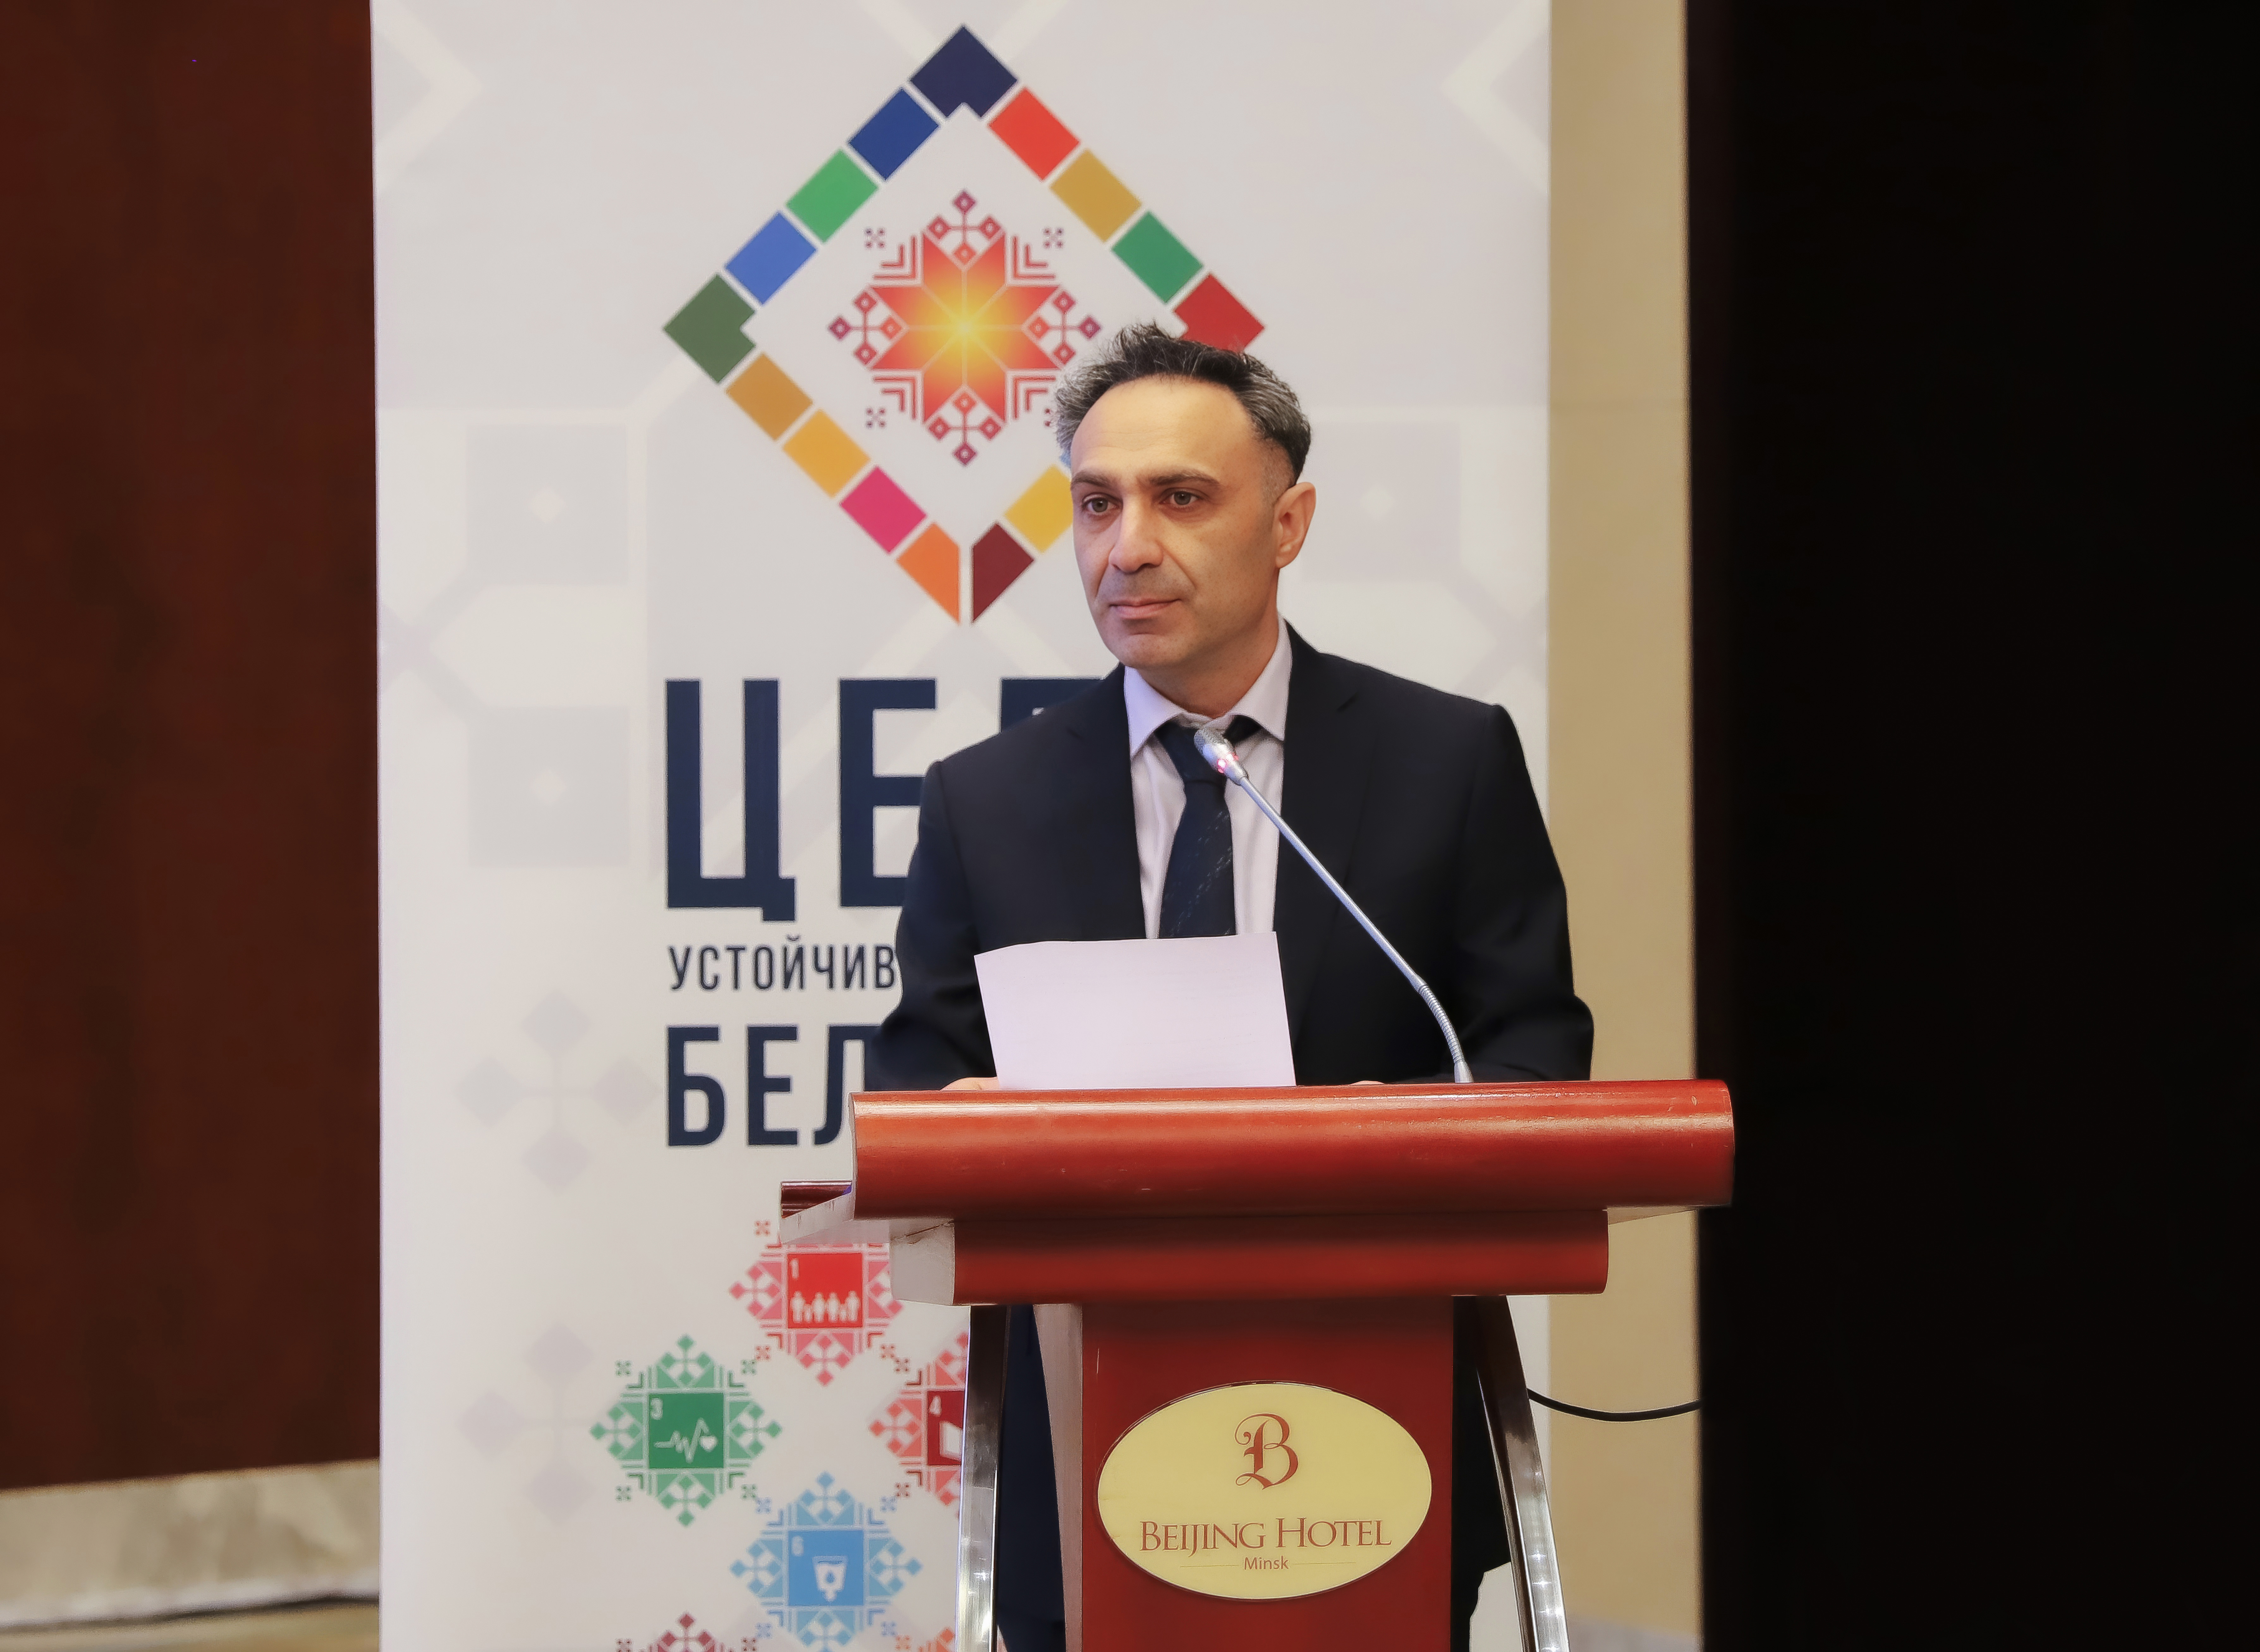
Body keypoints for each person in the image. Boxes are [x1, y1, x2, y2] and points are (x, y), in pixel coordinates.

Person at [868, 322, 1592, 1652]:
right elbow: (916, 1092)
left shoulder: (1449, 761)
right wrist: (963, 1124)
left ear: (1291, 519)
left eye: (1180, 498)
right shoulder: (990, 801)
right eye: (1096, 503)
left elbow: (1535, 1056)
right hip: (1081, 1472)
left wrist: (1407, 1129)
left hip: (1376, 1445)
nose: (1125, 545)